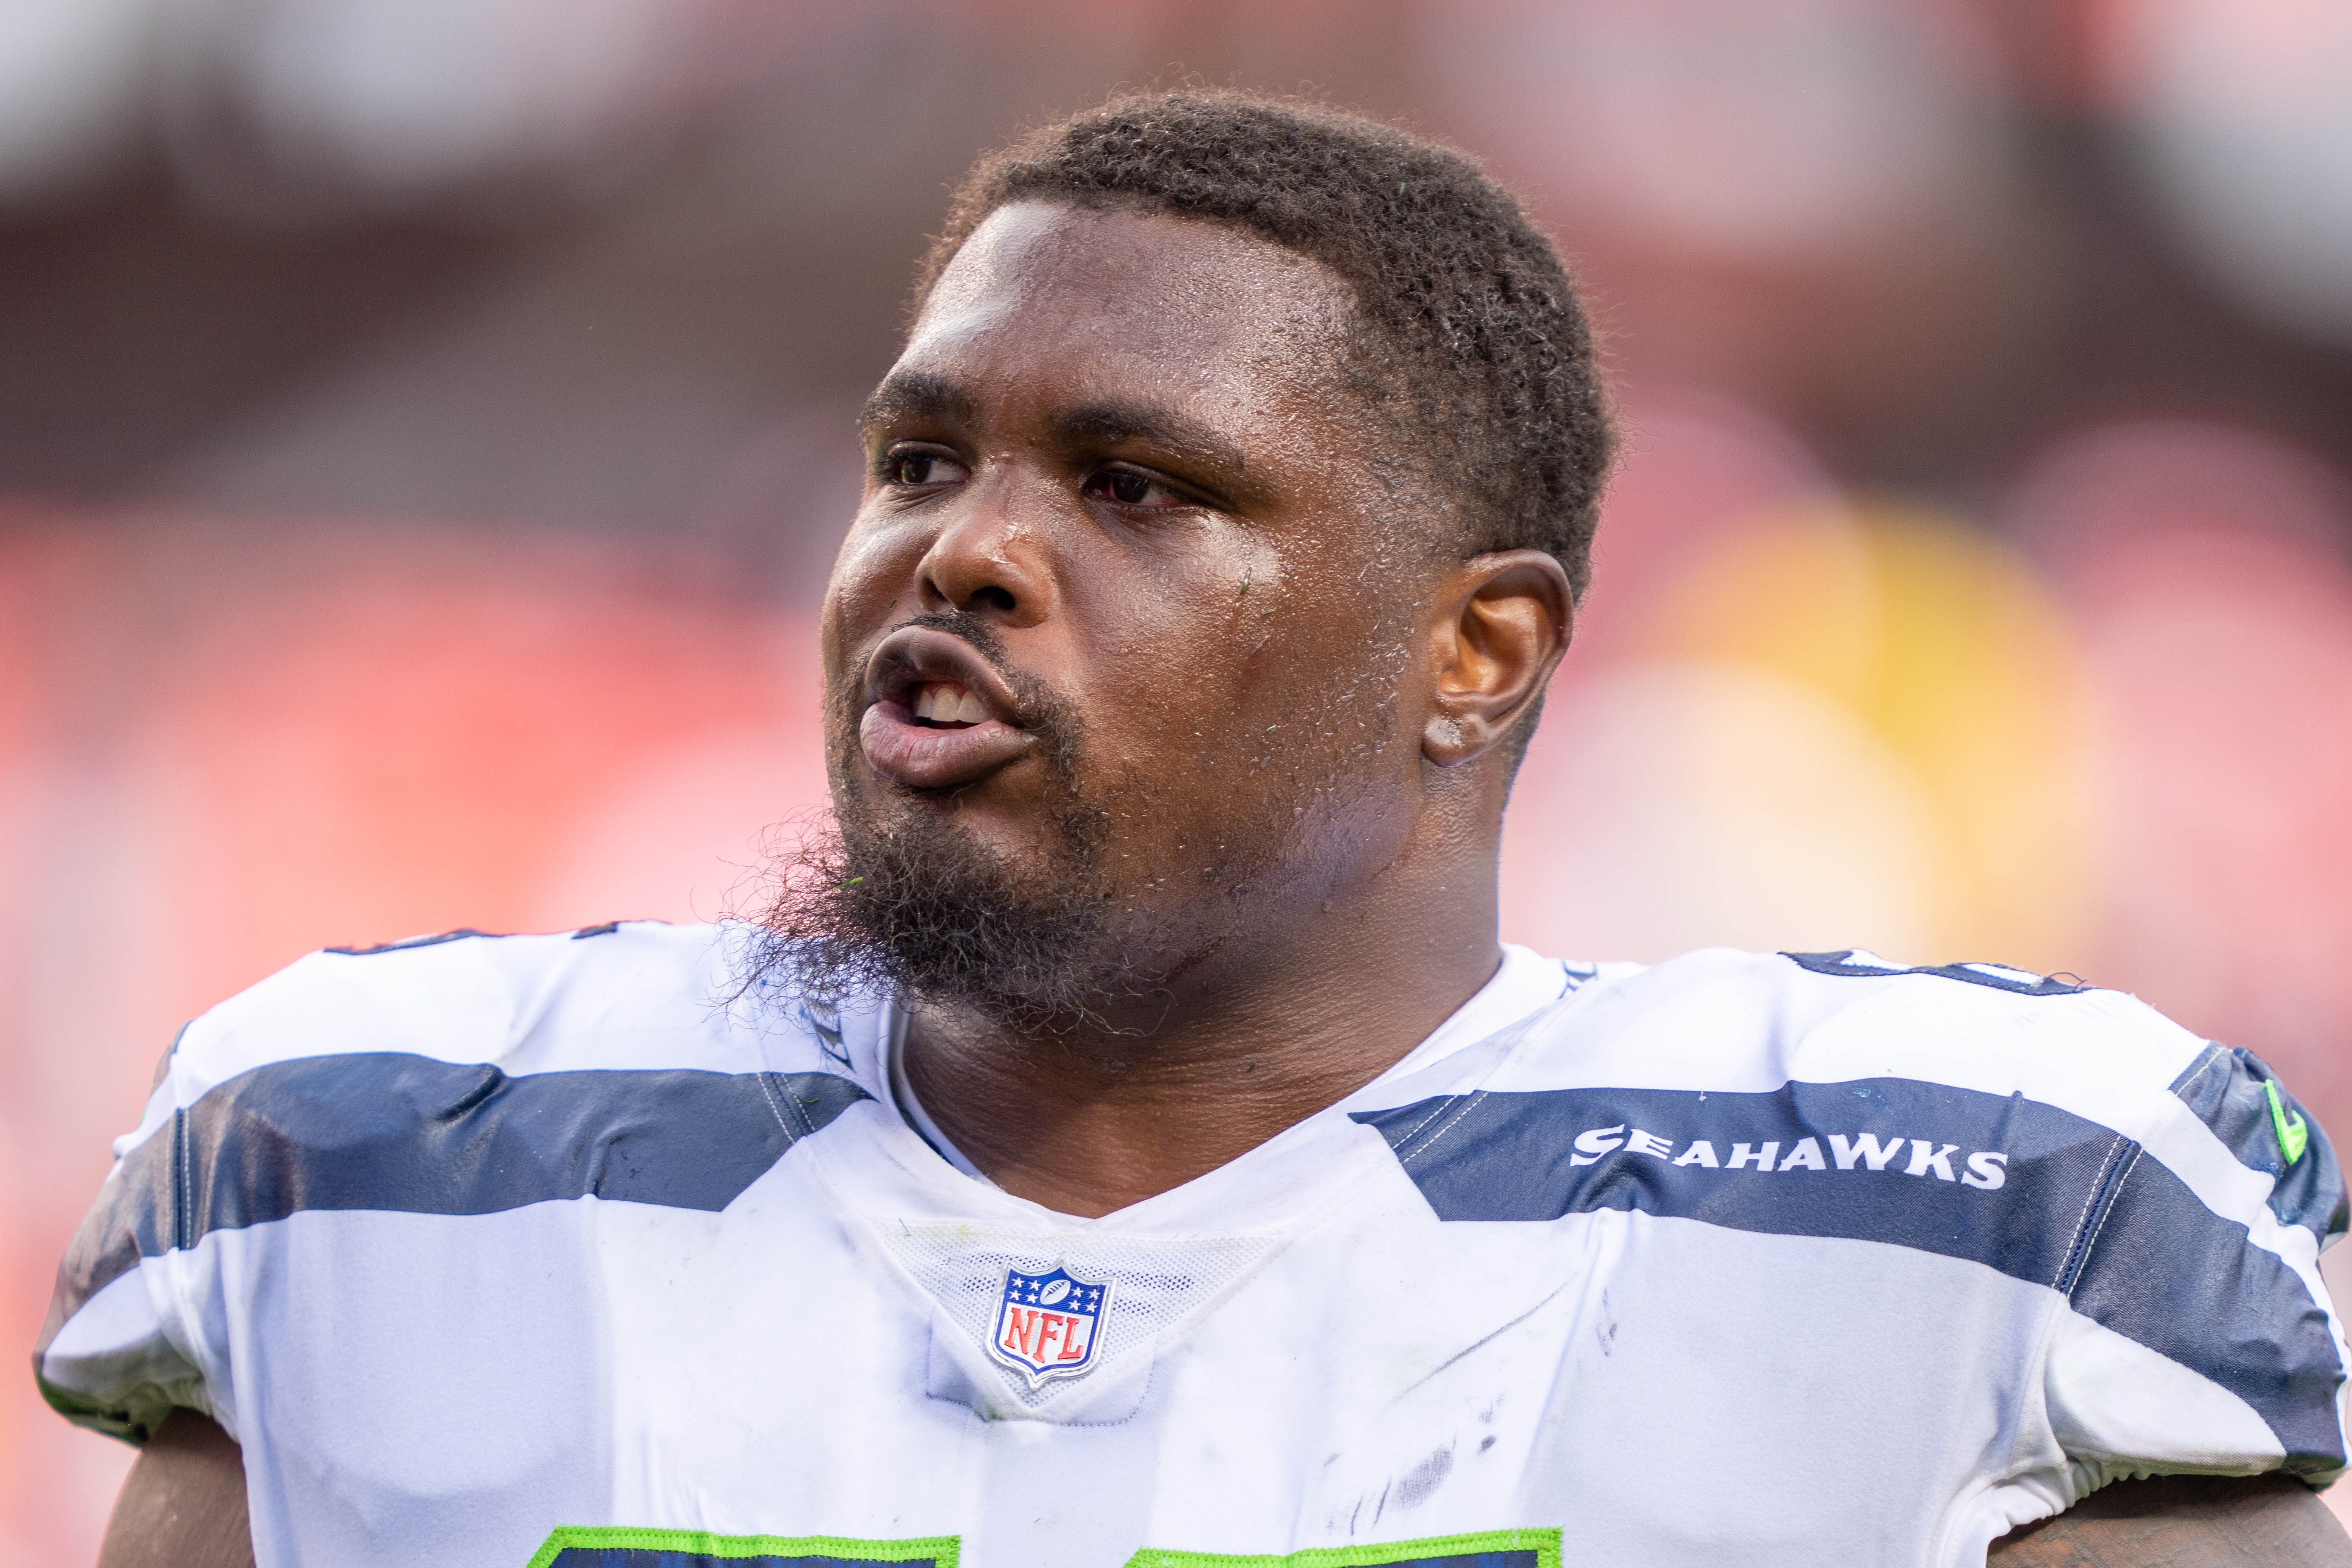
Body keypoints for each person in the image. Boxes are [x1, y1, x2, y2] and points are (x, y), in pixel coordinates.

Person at [37, 91, 2352, 1568]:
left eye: (1137, 486)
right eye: (922, 460)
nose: (959, 552)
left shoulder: (1979, 1230)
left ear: (1481, 653)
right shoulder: (369, 1165)